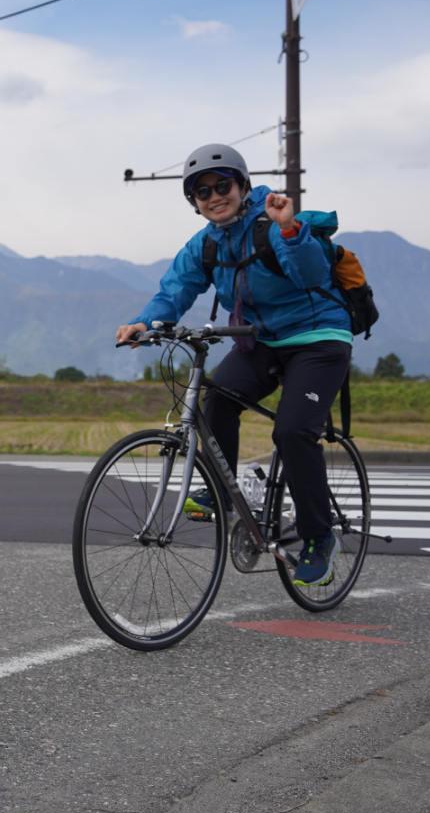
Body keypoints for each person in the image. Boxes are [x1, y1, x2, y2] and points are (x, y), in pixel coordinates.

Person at [115, 143, 352, 586]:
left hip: (318, 339)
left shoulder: (273, 222)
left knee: (292, 429)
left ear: (242, 185)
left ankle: (319, 536)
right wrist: (144, 322)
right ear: (194, 203)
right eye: (201, 192)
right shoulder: (204, 244)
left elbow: (311, 277)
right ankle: (225, 495)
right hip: (258, 341)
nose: (213, 196)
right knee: (216, 400)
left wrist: (288, 229)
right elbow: (175, 290)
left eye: (222, 185)